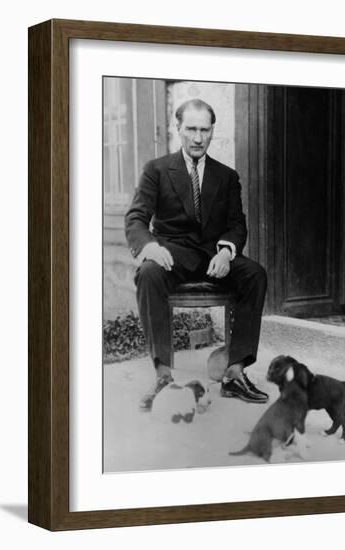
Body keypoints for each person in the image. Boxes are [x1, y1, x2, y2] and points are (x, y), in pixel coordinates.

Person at [125, 98, 268, 409]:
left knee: (255, 274)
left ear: (212, 131)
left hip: (213, 257)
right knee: (148, 272)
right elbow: (136, 218)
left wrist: (227, 252)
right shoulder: (157, 170)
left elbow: (236, 225)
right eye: (191, 129)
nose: (198, 138)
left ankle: (233, 373)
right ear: (178, 129)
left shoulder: (227, 177)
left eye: (204, 130)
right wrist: (149, 246)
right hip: (171, 255)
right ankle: (163, 376)